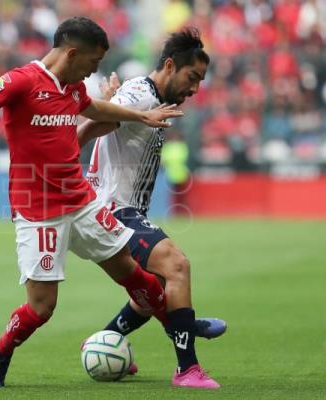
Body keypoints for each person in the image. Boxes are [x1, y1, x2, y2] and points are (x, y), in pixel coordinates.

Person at [0, 17, 184, 390]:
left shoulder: (72, 87)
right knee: (41, 307)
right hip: (38, 212)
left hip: (81, 201)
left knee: (134, 275)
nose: (94, 70)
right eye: (93, 62)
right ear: (71, 52)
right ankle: (0, 353)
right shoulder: (21, 81)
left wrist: (141, 115)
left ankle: (183, 332)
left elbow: (96, 110)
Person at [78, 28, 223, 389]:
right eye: (192, 77)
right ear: (170, 65)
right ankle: (187, 368)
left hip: (122, 209)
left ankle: (105, 341)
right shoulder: (140, 95)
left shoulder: (148, 95)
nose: (195, 89)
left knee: (153, 289)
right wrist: (109, 112)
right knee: (177, 265)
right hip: (113, 210)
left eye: (201, 81)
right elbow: (84, 131)